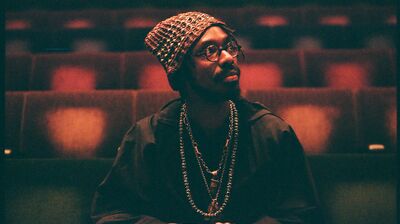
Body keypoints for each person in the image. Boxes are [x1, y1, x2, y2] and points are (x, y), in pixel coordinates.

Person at [91, 11, 323, 224]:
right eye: (209, 50)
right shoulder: (149, 137)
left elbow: (303, 215)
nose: (228, 58)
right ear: (180, 71)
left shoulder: (271, 133)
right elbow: (111, 214)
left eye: (229, 46)